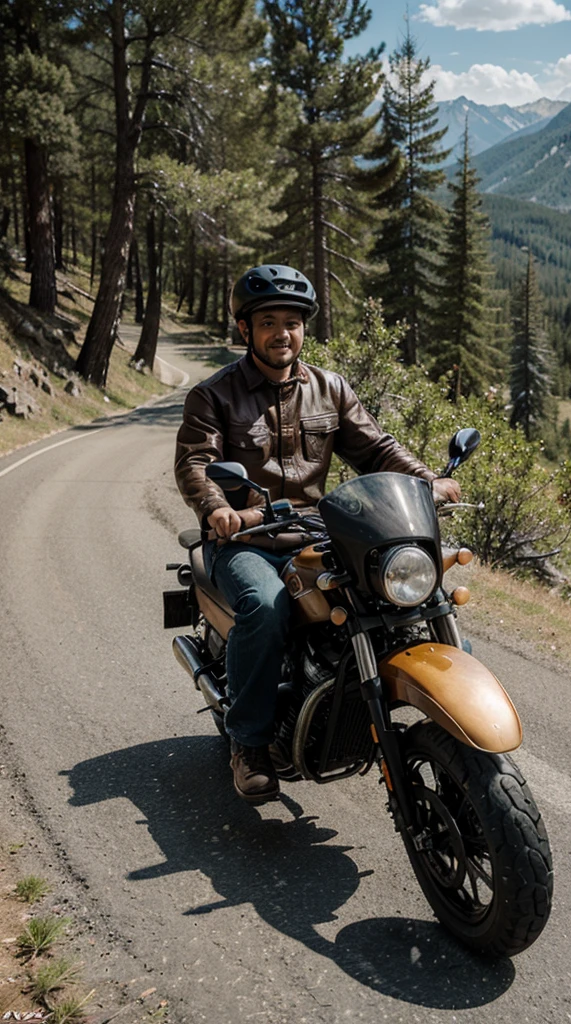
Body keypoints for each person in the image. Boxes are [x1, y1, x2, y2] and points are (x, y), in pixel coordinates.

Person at [175, 264, 461, 804]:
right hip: (247, 540)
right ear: (245, 329)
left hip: (316, 531)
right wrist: (217, 508)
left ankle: (445, 721)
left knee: (413, 591)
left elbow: (377, 449)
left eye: (292, 321)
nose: (282, 332)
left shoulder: (330, 388)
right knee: (265, 605)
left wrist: (428, 480)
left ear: (304, 328)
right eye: (268, 322)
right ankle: (250, 742)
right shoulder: (214, 396)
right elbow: (196, 462)